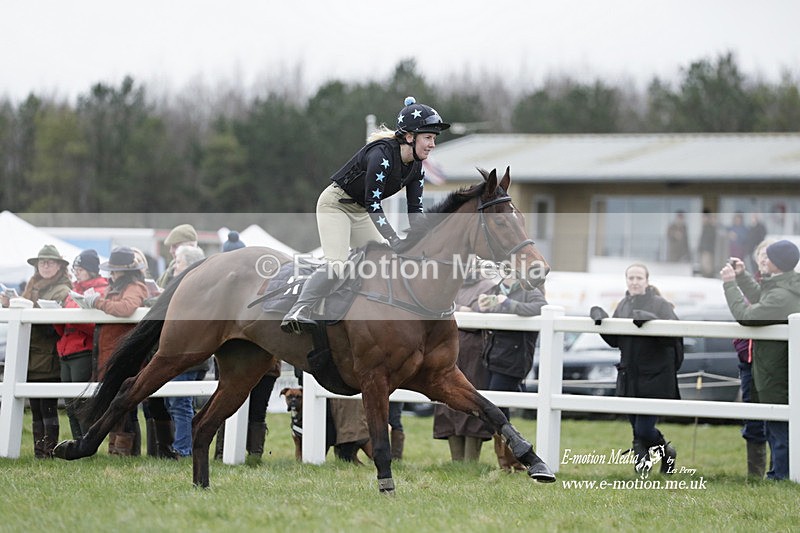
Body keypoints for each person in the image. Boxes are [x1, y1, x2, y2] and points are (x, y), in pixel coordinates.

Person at [281, 96, 449, 333]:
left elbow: (415, 211)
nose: (432, 144)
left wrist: (421, 243)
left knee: (383, 266)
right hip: (336, 205)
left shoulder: (417, 167)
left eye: (434, 139)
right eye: (429, 137)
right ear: (410, 137)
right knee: (337, 266)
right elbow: (374, 203)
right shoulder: (381, 155)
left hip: (360, 211)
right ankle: (299, 309)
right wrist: (394, 239)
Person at [721, 239, 800, 481]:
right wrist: (743, 277)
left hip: (778, 373)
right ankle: (778, 475)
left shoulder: (781, 296)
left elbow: (746, 316)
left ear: (777, 264)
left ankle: (782, 477)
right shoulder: (782, 288)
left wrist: (730, 285)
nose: (763, 261)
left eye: (768, 258)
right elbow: (761, 298)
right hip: (778, 371)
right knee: (776, 427)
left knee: (780, 430)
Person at [595, 263, 682, 476]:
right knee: (636, 430)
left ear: (647, 280)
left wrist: (652, 322)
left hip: (656, 378)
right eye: (631, 278)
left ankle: (667, 452)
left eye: (638, 278)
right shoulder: (623, 305)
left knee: (644, 429)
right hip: (629, 376)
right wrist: (601, 324)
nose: (634, 282)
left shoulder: (661, 305)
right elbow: (615, 341)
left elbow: (674, 339)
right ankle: (643, 470)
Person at [1, 245, 72, 458]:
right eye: (42, 262)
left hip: (48, 353)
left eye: (50, 262)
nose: (46, 266)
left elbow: (56, 325)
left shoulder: (63, 289)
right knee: (35, 408)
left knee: (47, 406)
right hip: (31, 354)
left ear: (59, 266)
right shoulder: (32, 286)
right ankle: (39, 452)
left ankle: (48, 451)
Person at [84, 246, 149, 456]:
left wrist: (98, 302)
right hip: (112, 351)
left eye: (115, 269)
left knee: (126, 406)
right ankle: (117, 450)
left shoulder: (134, 286)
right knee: (118, 404)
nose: (111, 273)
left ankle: (124, 451)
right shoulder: (117, 287)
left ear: (125, 270)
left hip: (123, 353)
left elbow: (126, 308)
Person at [479, 272, 547, 472]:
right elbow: (483, 312)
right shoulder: (494, 289)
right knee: (498, 412)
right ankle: (509, 462)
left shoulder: (529, 290)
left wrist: (508, 303)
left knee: (497, 411)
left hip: (514, 359)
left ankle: (513, 461)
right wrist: (481, 308)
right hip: (492, 356)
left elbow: (541, 307)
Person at [432, 270, 496, 462]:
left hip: (473, 353)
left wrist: (460, 310)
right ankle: (456, 461)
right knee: (447, 402)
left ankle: (471, 461)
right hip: (446, 349)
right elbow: (438, 306)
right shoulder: (451, 283)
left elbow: (483, 311)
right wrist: (461, 308)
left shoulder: (488, 286)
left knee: (472, 400)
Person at [54, 249, 108, 440]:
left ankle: (87, 443)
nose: (77, 272)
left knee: (81, 402)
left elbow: (97, 327)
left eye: (81, 268)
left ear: (91, 270)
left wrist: (72, 320)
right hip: (66, 350)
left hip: (83, 351)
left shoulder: (101, 290)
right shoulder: (73, 291)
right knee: (69, 403)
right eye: (76, 268)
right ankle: (78, 441)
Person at [162, 244, 210, 457]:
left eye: (179, 262)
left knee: (180, 403)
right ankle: (183, 446)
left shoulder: (195, 287)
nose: (175, 266)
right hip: (188, 354)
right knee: (177, 402)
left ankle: (184, 449)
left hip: (189, 355)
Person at [732, 238, 773, 479]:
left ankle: (781, 472)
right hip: (748, 364)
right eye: (761, 255)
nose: (765, 259)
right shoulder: (749, 285)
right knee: (753, 420)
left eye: (769, 255)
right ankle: (756, 476)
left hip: (775, 364)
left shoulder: (784, 286)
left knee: (778, 419)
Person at [157, 223, 198, 289]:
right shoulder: (172, 266)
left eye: (175, 246)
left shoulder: (200, 270)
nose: (171, 251)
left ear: (190, 247)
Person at [697, 209, 719, 278]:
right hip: (704, 250)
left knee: (707, 268)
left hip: (707, 250)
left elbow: (710, 240)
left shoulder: (710, 228)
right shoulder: (705, 227)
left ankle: (708, 278)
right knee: (704, 266)